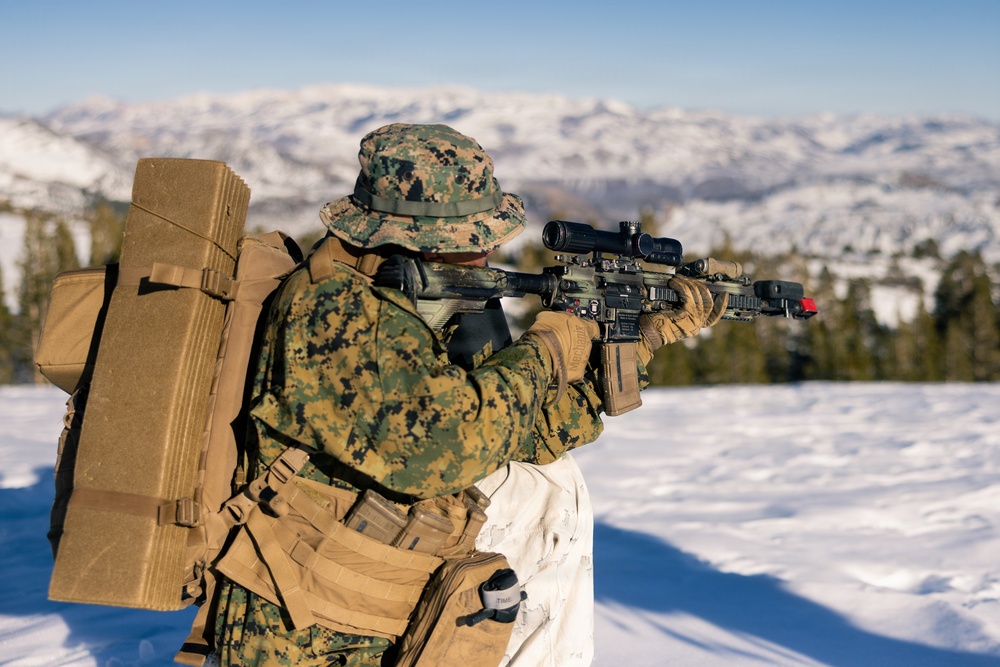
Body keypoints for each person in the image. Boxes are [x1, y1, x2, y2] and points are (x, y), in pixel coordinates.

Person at [206, 122, 726, 666]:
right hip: (305, 625)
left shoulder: (403, 296)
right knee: (548, 494)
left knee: (551, 482)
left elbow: (527, 434)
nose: (491, 248)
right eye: (475, 237)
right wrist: (544, 352)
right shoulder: (339, 312)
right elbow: (440, 452)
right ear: (423, 237)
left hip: (358, 579)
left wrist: (639, 342)